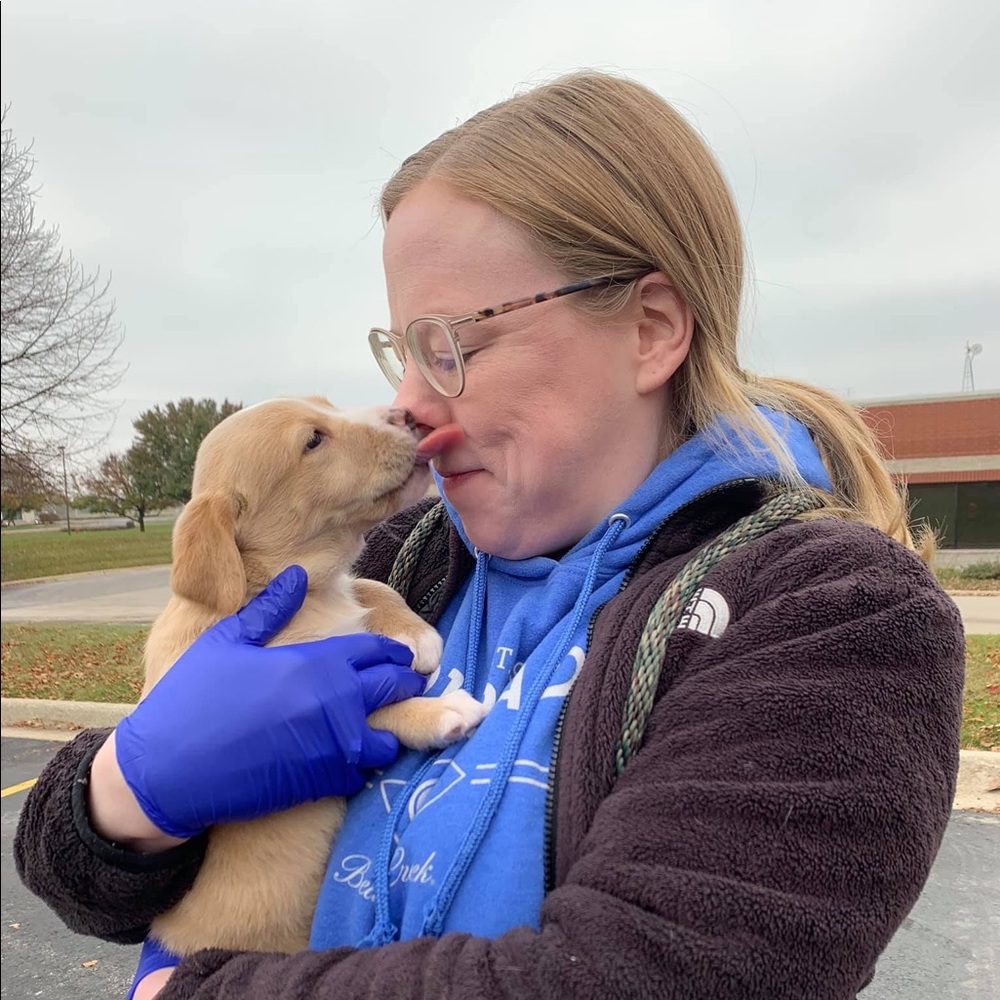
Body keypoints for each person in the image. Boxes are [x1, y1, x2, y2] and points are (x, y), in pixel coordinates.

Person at [15, 71, 964, 1000]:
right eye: (400, 351)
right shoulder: (409, 563)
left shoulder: (831, 615)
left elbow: (650, 969)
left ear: (651, 328)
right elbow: (70, 878)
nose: (407, 406)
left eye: (454, 344)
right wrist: (126, 795)